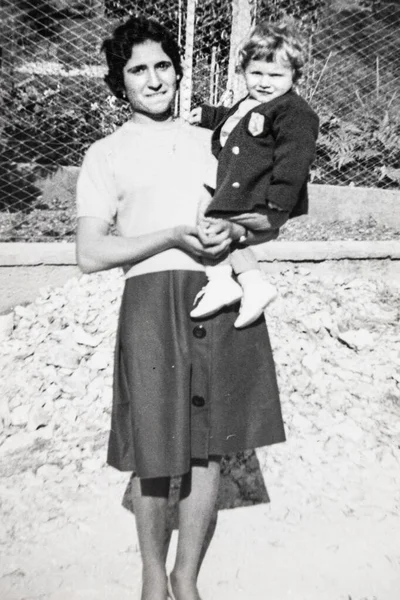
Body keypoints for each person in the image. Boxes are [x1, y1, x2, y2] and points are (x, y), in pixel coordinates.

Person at [76, 16, 285, 600]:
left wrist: (237, 235)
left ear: (177, 69)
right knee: (156, 447)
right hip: (150, 301)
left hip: (218, 294)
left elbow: (264, 216)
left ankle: (184, 578)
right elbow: (91, 252)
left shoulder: (215, 139)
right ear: (120, 82)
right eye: (138, 69)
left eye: (163, 65)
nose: (154, 78)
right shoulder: (106, 153)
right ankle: (151, 579)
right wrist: (168, 236)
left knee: (209, 444)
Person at [189, 20, 319, 329]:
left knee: (213, 227)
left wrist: (278, 200)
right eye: (255, 73)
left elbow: (295, 160)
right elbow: (235, 121)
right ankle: (254, 285)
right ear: (243, 70)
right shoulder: (253, 101)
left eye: (275, 75)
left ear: (294, 76)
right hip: (233, 186)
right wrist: (209, 115)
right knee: (226, 235)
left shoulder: (293, 113)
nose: (264, 82)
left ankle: (220, 281)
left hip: (259, 196)